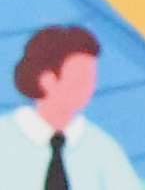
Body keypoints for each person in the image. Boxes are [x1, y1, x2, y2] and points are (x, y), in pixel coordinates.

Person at [0, 28, 135, 190]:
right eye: (79, 78)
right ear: (47, 80)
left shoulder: (102, 149)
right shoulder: (4, 139)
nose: (88, 86)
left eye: (91, 77)